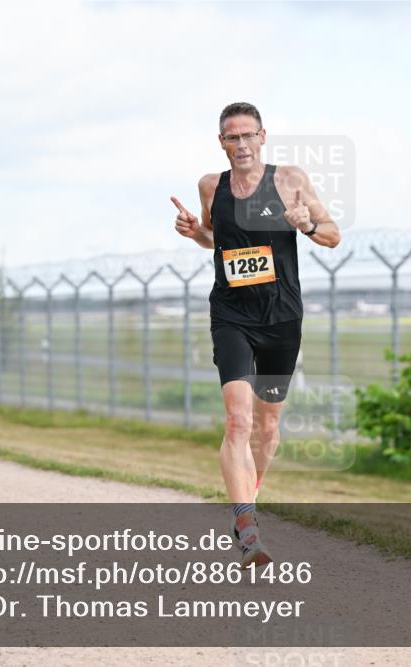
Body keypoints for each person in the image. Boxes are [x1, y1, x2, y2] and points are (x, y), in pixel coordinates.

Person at [170, 102, 340, 568]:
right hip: (232, 315)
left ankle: (252, 492)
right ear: (221, 142)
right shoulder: (211, 186)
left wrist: (306, 224)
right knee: (238, 420)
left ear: (263, 136)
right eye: (232, 137)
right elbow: (216, 239)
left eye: (249, 135)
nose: (241, 144)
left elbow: (333, 234)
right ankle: (246, 525)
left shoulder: (290, 180)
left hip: (282, 317)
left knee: (266, 426)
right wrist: (196, 233)